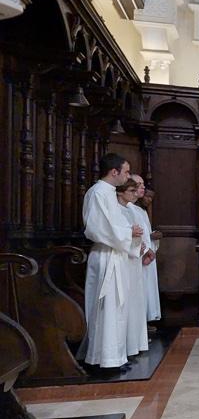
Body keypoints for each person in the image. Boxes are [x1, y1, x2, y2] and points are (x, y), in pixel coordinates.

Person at [78, 153, 143, 371]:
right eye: (125, 171)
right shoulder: (98, 193)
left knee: (117, 308)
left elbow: (113, 225)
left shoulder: (108, 193)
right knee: (107, 309)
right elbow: (97, 228)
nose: (127, 176)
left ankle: (114, 357)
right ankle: (103, 359)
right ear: (114, 172)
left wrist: (129, 232)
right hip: (107, 255)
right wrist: (128, 232)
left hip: (116, 254)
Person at [115, 179, 150, 357]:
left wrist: (141, 246)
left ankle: (133, 344)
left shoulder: (131, 210)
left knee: (135, 303)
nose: (136, 193)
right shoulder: (116, 210)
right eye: (131, 190)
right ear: (120, 192)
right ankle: (124, 348)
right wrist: (134, 242)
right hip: (123, 260)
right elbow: (115, 233)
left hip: (133, 259)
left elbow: (139, 233)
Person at [131, 175, 162, 322]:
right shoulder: (129, 208)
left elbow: (143, 233)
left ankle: (144, 322)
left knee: (147, 290)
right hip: (137, 255)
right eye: (139, 184)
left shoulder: (141, 210)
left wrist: (151, 238)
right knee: (139, 291)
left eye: (143, 184)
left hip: (146, 255)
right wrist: (144, 248)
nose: (142, 187)